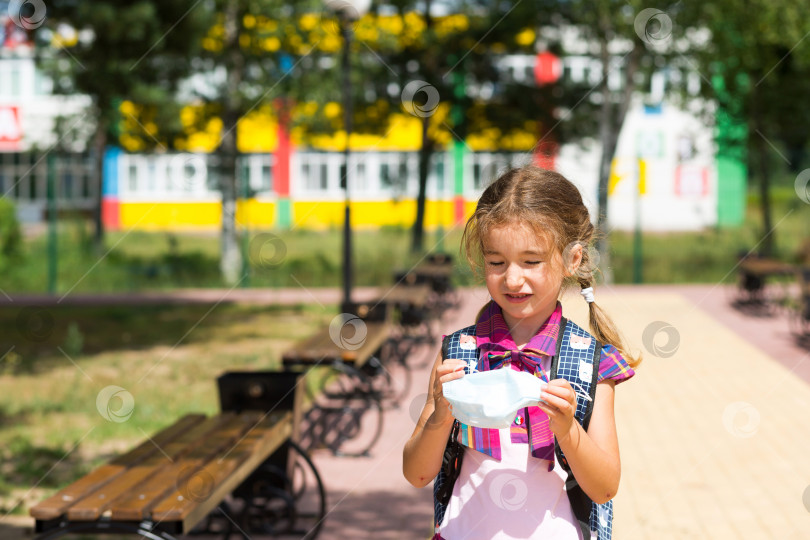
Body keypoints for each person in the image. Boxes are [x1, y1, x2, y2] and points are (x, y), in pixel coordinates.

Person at [403, 166, 640, 539]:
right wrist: (441, 413)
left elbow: (605, 487)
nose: (512, 278)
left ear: (572, 260)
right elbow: (416, 473)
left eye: (531, 261)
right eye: (497, 262)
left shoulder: (591, 363)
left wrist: (566, 428)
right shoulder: (460, 353)